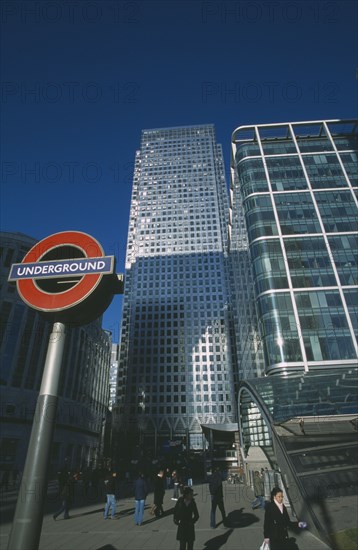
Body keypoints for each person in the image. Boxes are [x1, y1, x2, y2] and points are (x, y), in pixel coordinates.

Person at [173, 486, 199, 550]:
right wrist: (176, 520)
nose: (192, 495)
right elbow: (175, 511)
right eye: (191, 494)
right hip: (182, 526)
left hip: (190, 526)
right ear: (186, 495)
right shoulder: (180, 501)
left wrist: (192, 521)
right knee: (182, 546)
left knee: (190, 546)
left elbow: (197, 515)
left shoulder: (193, 502)